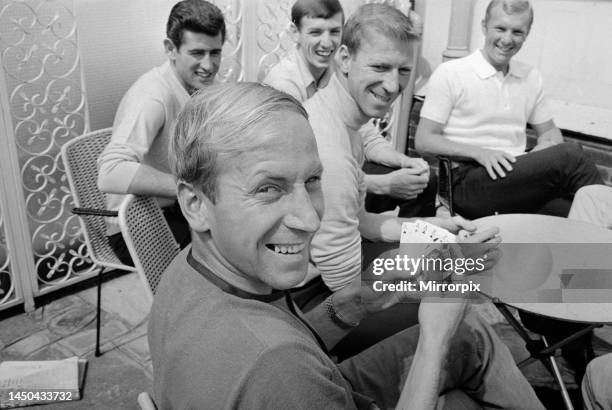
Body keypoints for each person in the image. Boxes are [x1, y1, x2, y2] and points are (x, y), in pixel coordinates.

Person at [149, 81, 545, 409]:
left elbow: (291, 337)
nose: (308, 220)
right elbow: (284, 363)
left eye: (313, 181)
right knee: (464, 336)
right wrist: (434, 340)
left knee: (470, 338)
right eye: (268, 189)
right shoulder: (281, 367)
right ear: (195, 204)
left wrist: (365, 296)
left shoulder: (184, 268)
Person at [415, 0, 603, 219]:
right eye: (500, 28)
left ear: (527, 34)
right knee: (571, 157)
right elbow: (424, 140)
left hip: (515, 179)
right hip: (467, 182)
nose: (507, 39)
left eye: (517, 32)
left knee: (575, 212)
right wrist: (479, 153)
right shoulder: (451, 73)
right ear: (484, 25)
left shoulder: (530, 76)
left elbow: (550, 131)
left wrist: (545, 146)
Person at [263, 0, 436, 219]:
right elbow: (298, 173)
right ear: (295, 33)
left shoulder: (339, 73)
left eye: (334, 32)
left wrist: (404, 161)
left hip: (345, 176)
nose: (326, 43)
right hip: (302, 189)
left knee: (425, 181)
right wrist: (384, 184)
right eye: (315, 32)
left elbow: (367, 136)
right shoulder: (284, 85)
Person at [97, 0, 225, 265]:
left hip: (178, 209)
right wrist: (188, 189)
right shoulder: (152, 96)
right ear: (170, 49)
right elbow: (110, 172)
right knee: (230, 255)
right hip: (136, 225)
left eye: (215, 53)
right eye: (197, 53)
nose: (209, 65)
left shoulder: (199, 85)